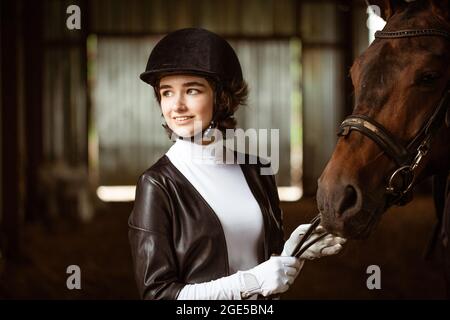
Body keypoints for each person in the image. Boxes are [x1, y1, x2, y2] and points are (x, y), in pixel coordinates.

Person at [128, 28, 346, 300]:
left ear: (222, 98)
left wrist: (293, 251)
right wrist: (251, 281)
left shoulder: (258, 171)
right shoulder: (156, 184)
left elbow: (267, 270)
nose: (176, 106)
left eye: (192, 90)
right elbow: (157, 295)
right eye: (167, 92)